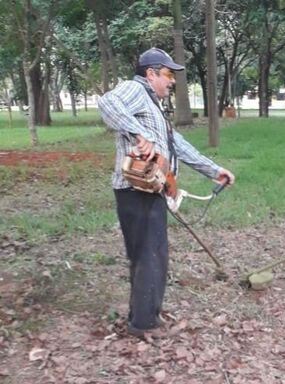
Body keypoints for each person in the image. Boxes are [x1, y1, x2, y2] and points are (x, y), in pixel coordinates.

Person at [98, 47, 235, 336]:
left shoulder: (154, 105)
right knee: (150, 254)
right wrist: (140, 134)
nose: (172, 81)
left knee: (148, 253)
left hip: (151, 191)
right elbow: (107, 103)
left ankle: (142, 315)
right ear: (150, 74)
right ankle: (145, 325)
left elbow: (177, 145)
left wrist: (213, 170)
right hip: (136, 193)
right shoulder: (135, 89)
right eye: (168, 74)